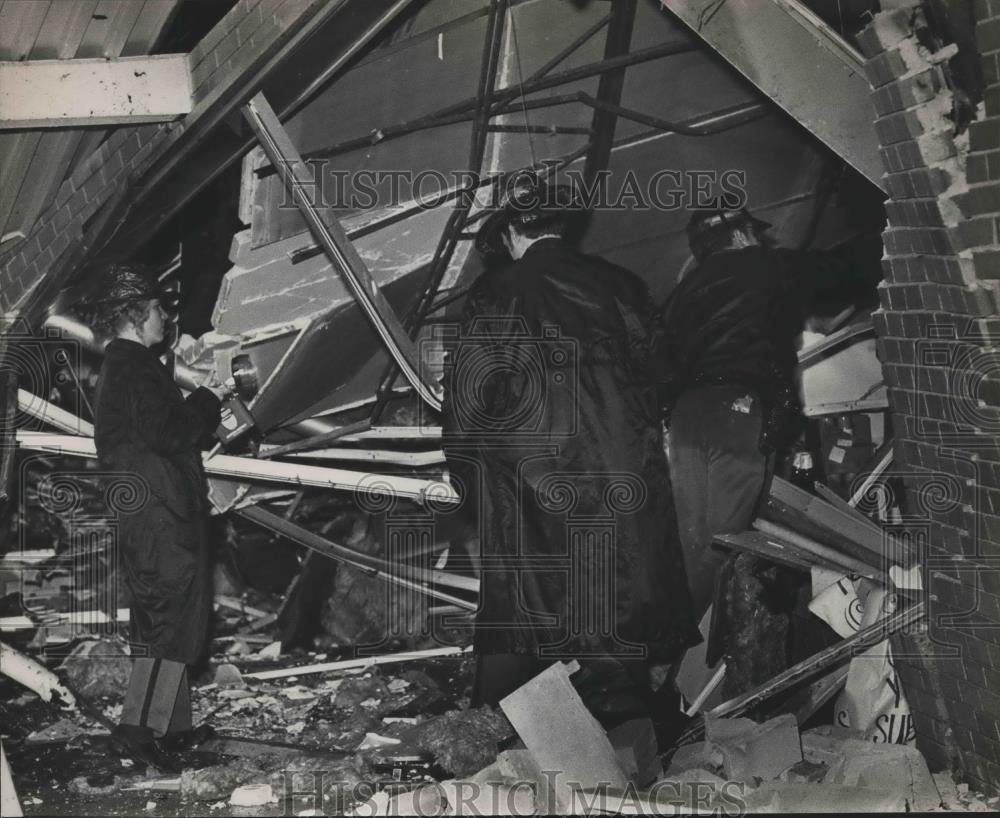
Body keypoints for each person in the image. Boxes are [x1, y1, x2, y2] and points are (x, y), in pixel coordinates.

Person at [440, 172, 699, 727]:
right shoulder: (622, 283)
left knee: (539, 599)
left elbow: (469, 397)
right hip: (621, 461)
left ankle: (541, 728)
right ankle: (626, 723)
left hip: (534, 474)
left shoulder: (497, 291)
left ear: (510, 231)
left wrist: (463, 476)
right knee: (618, 586)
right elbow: (665, 371)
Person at [656, 205, 858, 624]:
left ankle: (658, 644)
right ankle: (665, 654)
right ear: (742, 234)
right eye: (752, 231)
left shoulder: (681, 293)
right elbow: (840, 269)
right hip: (739, 411)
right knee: (722, 544)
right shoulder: (764, 265)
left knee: (686, 542)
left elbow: (656, 361)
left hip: (686, 417)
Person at [86, 265, 225, 767]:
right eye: (158, 310)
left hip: (148, 514)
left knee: (167, 619)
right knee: (168, 624)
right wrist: (212, 398)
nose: (165, 318)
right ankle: (135, 732)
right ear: (136, 316)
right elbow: (169, 435)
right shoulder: (136, 367)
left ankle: (173, 728)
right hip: (161, 516)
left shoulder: (122, 367)